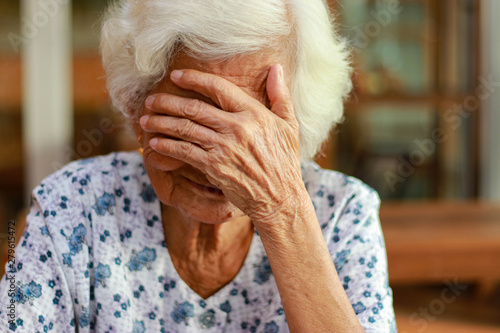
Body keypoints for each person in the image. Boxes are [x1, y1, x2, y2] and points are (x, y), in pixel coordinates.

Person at [0, 0, 397, 332]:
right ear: (136, 107)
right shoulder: (68, 206)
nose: (217, 164)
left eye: (246, 129)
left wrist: (281, 210)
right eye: (191, 122)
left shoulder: (345, 212)